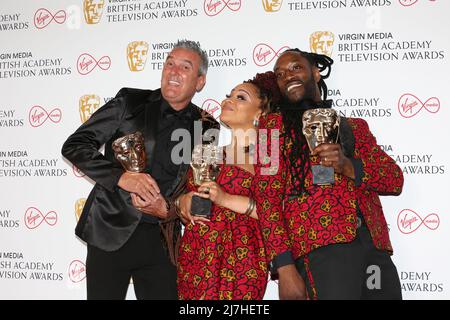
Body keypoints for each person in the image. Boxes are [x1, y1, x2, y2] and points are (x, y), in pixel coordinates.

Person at [61, 40, 218, 300]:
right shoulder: (129, 101)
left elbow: (201, 187)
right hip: (110, 232)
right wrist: (123, 178)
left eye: (185, 67)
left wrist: (169, 210)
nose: (173, 71)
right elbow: (75, 146)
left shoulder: (207, 125)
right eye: (169, 63)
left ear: (200, 82)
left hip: (163, 242)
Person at [254, 49, 404, 300]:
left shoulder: (355, 127)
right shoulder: (270, 130)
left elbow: (394, 179)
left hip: (373, 249)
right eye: (280, 74)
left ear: (315, 72)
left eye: (295, 68)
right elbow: (267, 200)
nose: (287, 76)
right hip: (322, 250)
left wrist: (349, 166)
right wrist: (284, 266)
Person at [176, 72, 277, 300]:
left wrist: (225, 199)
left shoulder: (268, 154)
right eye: (228, 96)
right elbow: (188, 200)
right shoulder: (210, 153)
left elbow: (277, 213)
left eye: (241, 97)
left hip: (241, 261)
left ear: (260, 112)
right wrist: (183, 202)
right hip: (197, 258)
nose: (228, 101)